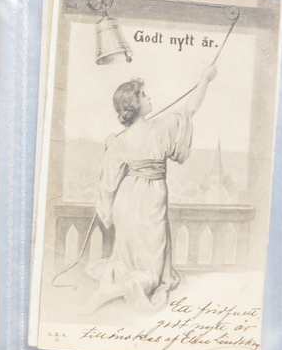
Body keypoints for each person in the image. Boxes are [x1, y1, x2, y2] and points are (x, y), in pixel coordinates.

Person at [81, 63, 218, 315]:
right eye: (144, 95)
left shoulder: (118, 140)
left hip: (127, 201)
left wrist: (108, 213)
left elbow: (108, 183)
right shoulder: (160, 128)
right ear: (135, 104)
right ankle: (108, 293)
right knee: (151, 271)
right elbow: (190, 109)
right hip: (151, 200)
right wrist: (205, 80)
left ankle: (108, 285)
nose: (149, 98)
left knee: (126, 261)